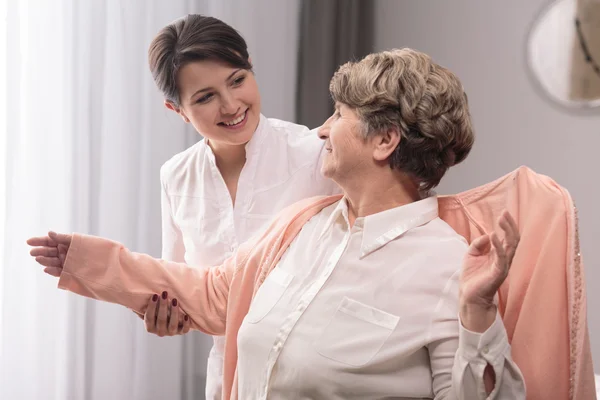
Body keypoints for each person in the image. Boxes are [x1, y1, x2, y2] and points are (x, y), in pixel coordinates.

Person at [28, 48, 526, 399]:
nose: (323, 129)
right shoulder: (299, 226)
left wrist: (477, 313)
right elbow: (210, 294)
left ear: (384, 141)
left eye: (338, 114)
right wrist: (89, 262)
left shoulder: (448, 268)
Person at [142, 14, 340, 399]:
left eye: (238, 80)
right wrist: (168, 317)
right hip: (227, 384)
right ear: (177, 110)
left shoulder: (315, 154)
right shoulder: (176, 176)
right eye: (205, 97)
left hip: (315, 379)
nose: (231, 105)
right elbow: (181, 289)